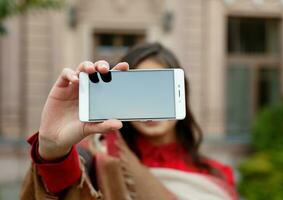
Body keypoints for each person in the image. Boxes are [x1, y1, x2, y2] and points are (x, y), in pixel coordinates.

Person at [21, 43, 237, 200]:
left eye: (157, 90)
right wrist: (52, 150)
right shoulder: (97, 160)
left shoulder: (216, 172)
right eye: (138, 92)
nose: (148, 104)